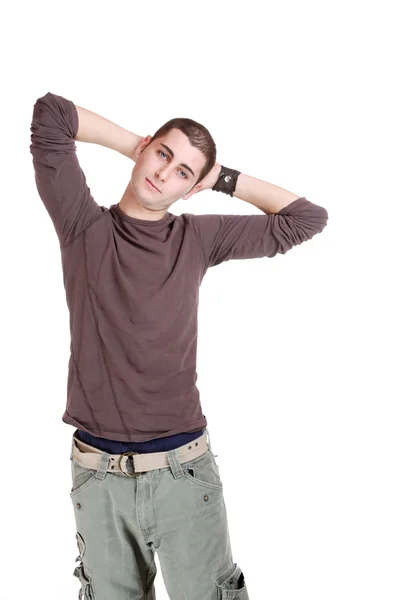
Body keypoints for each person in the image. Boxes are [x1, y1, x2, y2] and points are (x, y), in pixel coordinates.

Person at [30, 91, 329, 600]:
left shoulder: (197, 238)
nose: (166, 173)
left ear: (193, 189)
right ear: (147, 150)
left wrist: (221, 178)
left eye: (185, 173)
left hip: (181, 469)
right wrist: (136, 145)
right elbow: (52, 115)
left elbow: (306, 218)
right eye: (163, 154)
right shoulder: (83, 226)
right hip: (97, 475)